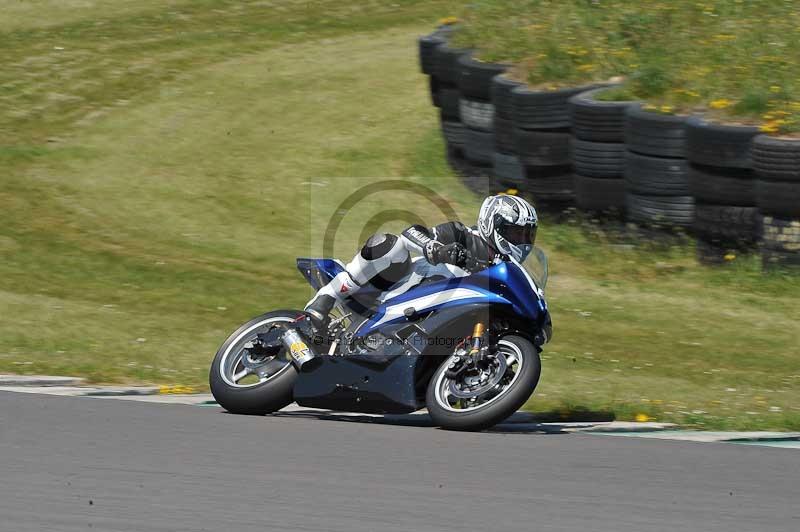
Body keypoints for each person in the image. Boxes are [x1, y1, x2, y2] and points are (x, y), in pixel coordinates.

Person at [304, 194, 538, 330]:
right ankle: (326, 298)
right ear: (493, 224)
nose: (522, 241)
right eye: (516, 233)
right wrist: (438, 249)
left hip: (427, 322)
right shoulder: (462, 234)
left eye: (527, 236)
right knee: (390, 244)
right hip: (394, 291)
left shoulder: (505, 270)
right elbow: (411, 233)